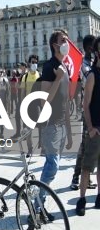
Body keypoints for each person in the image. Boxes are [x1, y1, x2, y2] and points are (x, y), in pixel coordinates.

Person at [38, 29, 73, 193]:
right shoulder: (50, 67)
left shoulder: (64, 67)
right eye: (63, 40)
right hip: (49, 124)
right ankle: (37, 205)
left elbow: (65, 102)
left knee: (52, 165)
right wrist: (58, 79)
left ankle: (39, 203)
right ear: (55, 45)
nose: (67, 43)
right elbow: (44, 100)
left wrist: (70, 133)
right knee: (53, 165)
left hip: (61, 125)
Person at [75, 37, 100, 215]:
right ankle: (82, 199)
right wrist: (90, 128)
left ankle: (99, 196)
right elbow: (85, 104)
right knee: (87, 167)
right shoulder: (92, 75)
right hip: (95, 129)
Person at [70, 35, 98, 190]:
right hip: (87, 109)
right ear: (90, 48)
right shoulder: (84, 64)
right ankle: (76, 177)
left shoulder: (92, 63)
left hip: (95, 108)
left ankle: (85, 179)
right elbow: (88, 78)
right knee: (85, 145)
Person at [20, 55, 42, 155]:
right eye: (32, 62)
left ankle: (43, 148)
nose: (34, 64)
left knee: (42, 127)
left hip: (38, 104)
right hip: (28, 105)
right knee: (29, 129)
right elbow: (22, 93)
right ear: (29, 63)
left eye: (35, 62)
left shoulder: (40, 75)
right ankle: (30, 149)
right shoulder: (25, 77)